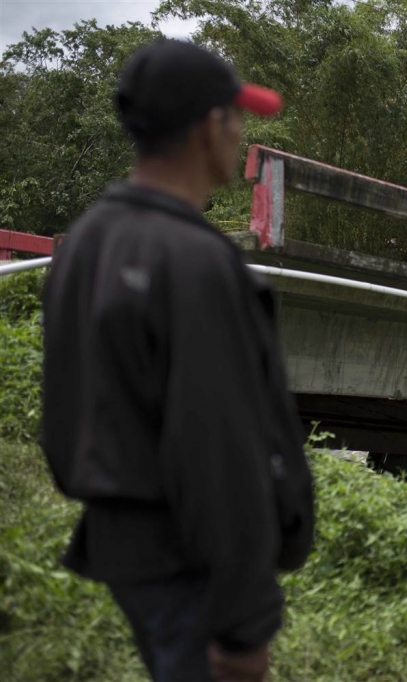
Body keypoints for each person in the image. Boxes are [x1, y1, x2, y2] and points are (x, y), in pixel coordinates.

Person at [41, 39, 314, 682]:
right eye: (236, 117)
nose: (241, 132)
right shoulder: (195, 261)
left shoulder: (83, 243)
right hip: (190, 564)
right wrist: (245, 624)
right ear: (209, 125)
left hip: (127, 552)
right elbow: (218, 448)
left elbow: (64, 417)